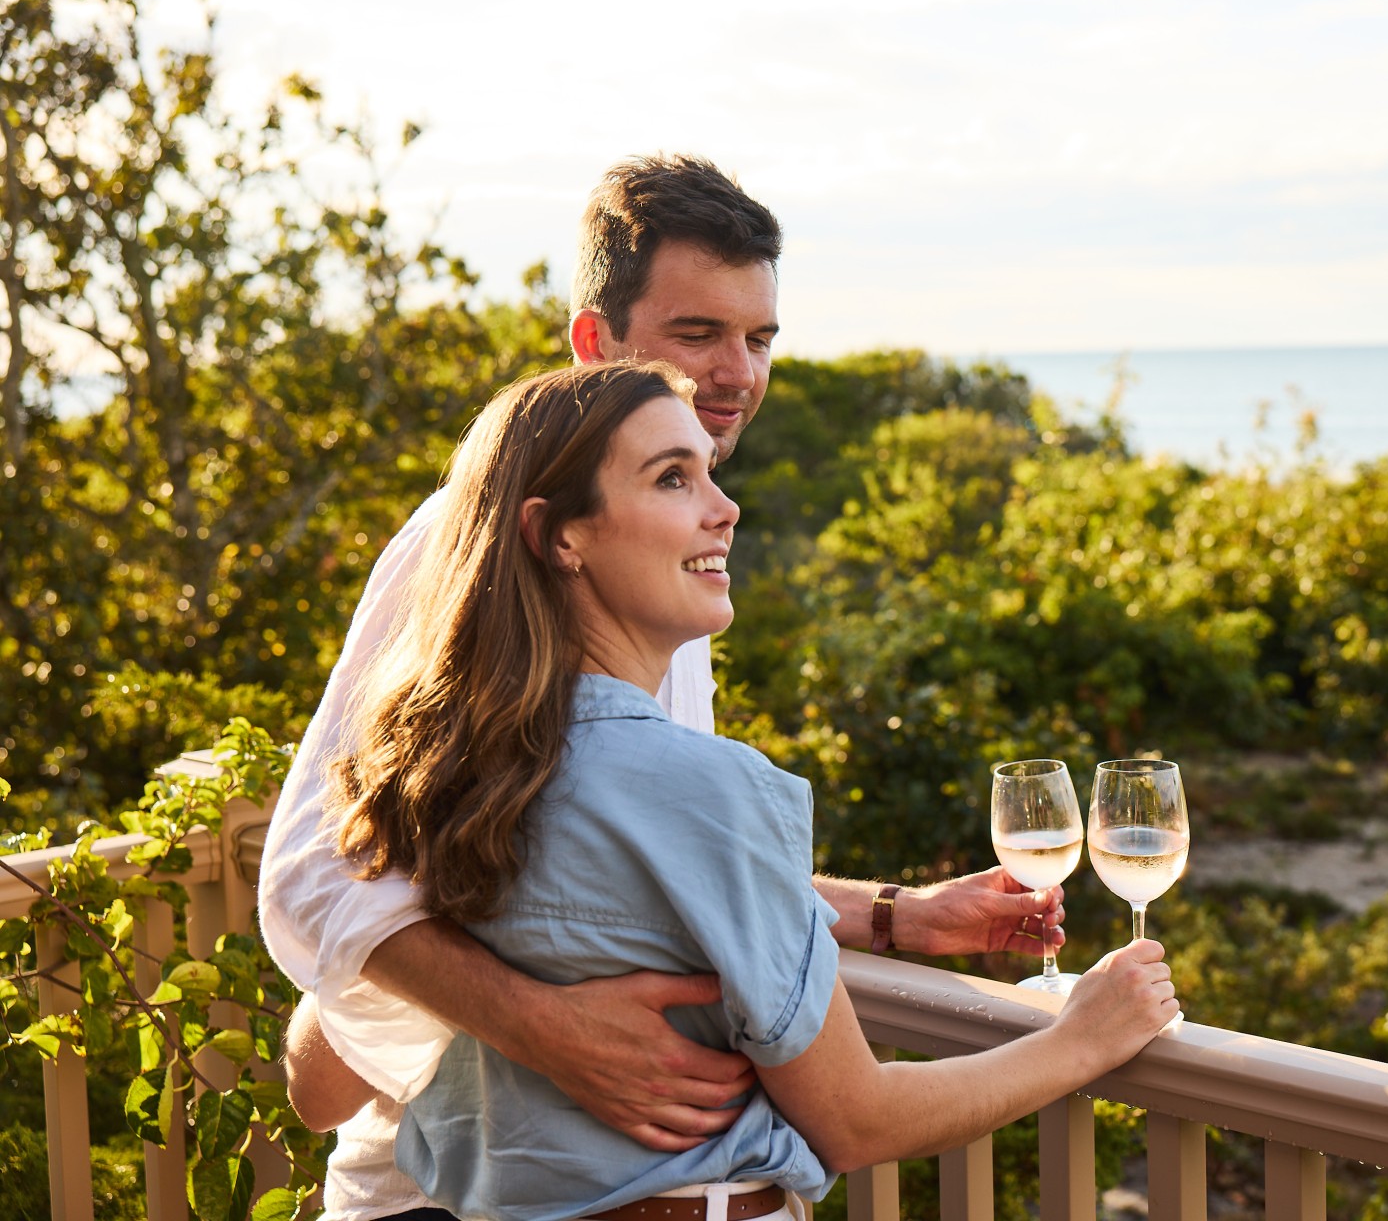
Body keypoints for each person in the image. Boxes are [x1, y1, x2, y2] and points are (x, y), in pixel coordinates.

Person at [257, 156, 1070, 1221]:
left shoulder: (658, 586)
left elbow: (626, 860)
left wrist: (892, 914)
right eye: (699, 334)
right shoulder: (478, 546)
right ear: (596, 341)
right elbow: (313, 876)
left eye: (761, 336)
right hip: (449, 1189)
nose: (738, 370)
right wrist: (545, 1026)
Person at [301, 360, 1177, 1220]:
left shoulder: (437, 775)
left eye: (709, 474)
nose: (725, 509)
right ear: (560, 534)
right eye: (672, 479)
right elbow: (856, 1121)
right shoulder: (709, 792)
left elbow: (317, 1073)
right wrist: (1082, 1038)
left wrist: (892, 915)